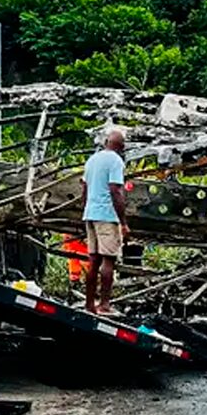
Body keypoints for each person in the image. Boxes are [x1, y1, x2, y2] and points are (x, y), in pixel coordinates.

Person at [80, 127, 129, 313]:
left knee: (94, 261)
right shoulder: (116, 161)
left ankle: (89, 305)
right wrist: (123, 222)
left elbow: (84, 188)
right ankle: (105, 304)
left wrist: (86, 209)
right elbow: (115, 190)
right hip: (107, 215)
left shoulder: (92, 160)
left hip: (90, 214)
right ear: (121, 146)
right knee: (109, 261)